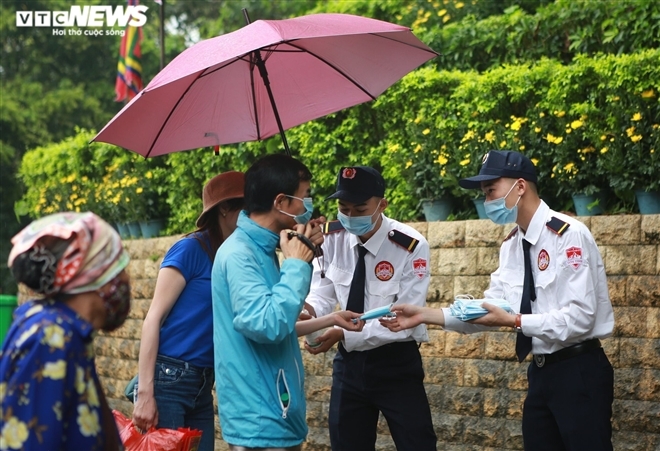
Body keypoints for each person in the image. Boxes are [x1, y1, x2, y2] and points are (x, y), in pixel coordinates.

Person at [381, 150, 615, 451]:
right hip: (542, 373)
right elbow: (493, 307)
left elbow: (579, 318)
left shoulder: (567, 236)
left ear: (520, 187)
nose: (487, 199)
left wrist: (516, 321)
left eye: (491, 190)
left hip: (580, 369)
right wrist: (425, 315)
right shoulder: (512, 245)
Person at [211, 154, 364, 451]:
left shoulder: (264, 249)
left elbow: (281, 320)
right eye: (304, 197)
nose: (308, 206)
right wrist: (296, 264)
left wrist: (331, 317)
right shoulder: (240, 255)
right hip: (260, 417)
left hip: (274, 410)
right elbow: (267, 326)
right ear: (281, 202)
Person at [304, 166, 437, 451]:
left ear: (382, 205)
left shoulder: (410, 246)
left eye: (360, 208)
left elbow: (406, 316)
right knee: (346, 443)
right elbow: (321, 294)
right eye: (343, 208)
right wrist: (308, 313)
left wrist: (341, 332)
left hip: (396, 364)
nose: (350, 216)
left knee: (418, 443)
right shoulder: (331, 239)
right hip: (349, 365)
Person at [132, 171, 244, 450]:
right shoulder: (190, 249)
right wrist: (145, 392)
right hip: (169, 379)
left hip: (204, 383)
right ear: (225, 209)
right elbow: (153, 319)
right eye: (248, 205)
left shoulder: (233, 256)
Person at [0, 212, 131, 450]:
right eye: (119, 269)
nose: (126, 280)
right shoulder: (51, 338)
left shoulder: (65, 332)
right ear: (94, 276)